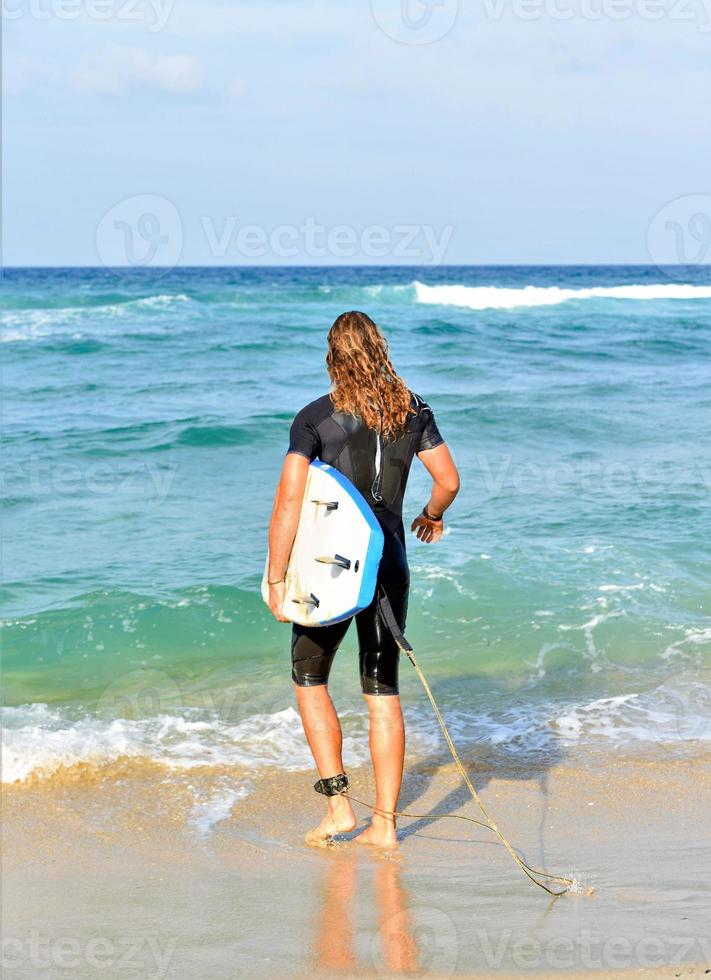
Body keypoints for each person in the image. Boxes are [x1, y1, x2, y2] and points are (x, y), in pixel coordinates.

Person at [267, 311, 460, 848]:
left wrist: (276, 575)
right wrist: (432, 515)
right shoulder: (413, 411)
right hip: (390, 563)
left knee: (310, 681)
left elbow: (288, 500)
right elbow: (448, 481)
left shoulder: (313, 419)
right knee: (382, 692)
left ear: (333, 355)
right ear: (380, 348)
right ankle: (386, 827)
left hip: (330, 573)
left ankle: (338, 809)